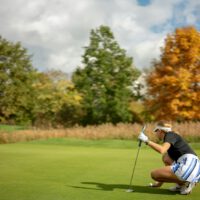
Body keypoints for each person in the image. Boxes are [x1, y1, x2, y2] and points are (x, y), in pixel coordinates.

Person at [138, 121, 200, 195]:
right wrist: (158, 184)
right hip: (194, 167)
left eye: (156, 131)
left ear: (160, 131)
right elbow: (166, 158)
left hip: (189, 165)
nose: (156, 134)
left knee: (154, 174)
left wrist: (146, 141)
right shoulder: (172, 138)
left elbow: (162, 150)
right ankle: (181, 185)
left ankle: (187, 182)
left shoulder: (170, 134)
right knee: (166, 157)